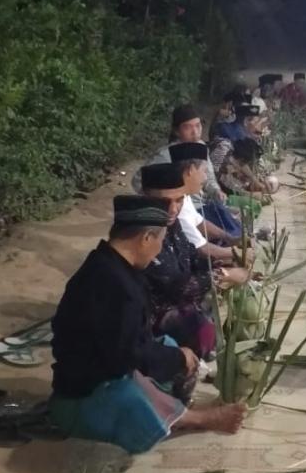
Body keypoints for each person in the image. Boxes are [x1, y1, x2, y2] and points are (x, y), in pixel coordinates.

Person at [48, 195, 246, 454]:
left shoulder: (109, 264)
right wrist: (176, 358)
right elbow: (126, 358)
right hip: (82, 397)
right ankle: (196, 419)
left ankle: (175, 410)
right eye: (160, 240)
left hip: (106, 367)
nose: (159, 248)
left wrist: (173, 354)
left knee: (169, 347)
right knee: (133, 392)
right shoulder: (114, 285)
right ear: (145, 239)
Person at [139, 163, 221, 359]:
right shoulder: (141, 235)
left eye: (179, 200)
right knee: (204, 332)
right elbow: (177, 286)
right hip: (154, 315)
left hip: (180, 300)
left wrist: (221, 265)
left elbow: (192, 255)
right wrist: (222, 276)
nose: (173, 209)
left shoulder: (172, 225)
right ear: (145, 196)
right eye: (165, 201)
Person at [169, 142, 252, 265]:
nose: (205, 178)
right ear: (191, 170)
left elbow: (199, 221)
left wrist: (229, 238)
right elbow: (201, 248)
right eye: (204, 172)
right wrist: (236, 252)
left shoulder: (184, 196)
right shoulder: (175, 203)